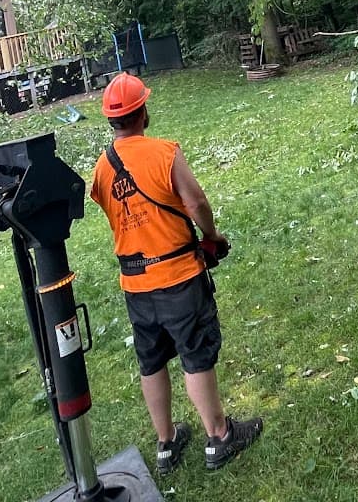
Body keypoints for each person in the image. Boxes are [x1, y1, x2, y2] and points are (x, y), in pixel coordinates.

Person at [88, 72, 263, 473]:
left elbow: (114, 211)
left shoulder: (101, 169)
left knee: (151, 361)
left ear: (111, 120)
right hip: (178, 277)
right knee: (195, 353)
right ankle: (218, 437)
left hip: (134, 284)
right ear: (143, 112)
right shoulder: (165, 153)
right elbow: (196, 202)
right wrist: (211, 235)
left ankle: (166, 444)